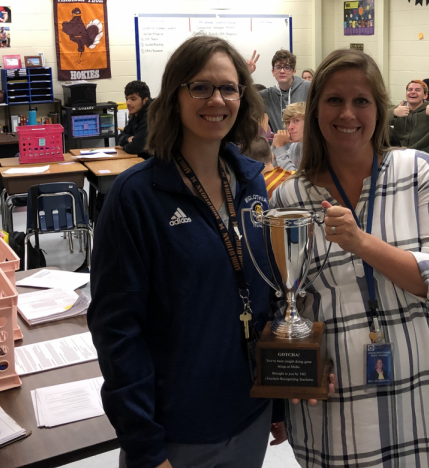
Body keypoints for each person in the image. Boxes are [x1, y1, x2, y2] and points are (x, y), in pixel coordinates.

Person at [89, 36, 283, 468]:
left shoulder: (252, 183)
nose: (217, 99)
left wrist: (280, 398)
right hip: (176, 433)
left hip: (249, 413)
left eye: (229, 88)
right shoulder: (135, 196)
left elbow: (264, 295)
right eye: (200, 87)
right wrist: (143, 442)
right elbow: (116, 330)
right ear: (174, 96)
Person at [272, 49, 429, 468]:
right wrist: (300, 369)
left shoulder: (420, 172)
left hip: (415, 377)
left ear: (380, 108)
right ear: (316, 108)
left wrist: (360, 241)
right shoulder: (290, 197)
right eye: (334, 100)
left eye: (361, 101)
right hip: (334, 395)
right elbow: (289, 304)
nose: (348, 113)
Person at [259, 49, 310, 132]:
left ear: (294, 71)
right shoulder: (267, 95)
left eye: (287, 67)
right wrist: (247, 72)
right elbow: (244, 98)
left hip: (304, 143)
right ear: (273, 72)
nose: (282, 71)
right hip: (280, 143)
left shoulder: (307, 87)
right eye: (278, 67)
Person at [117, 81, 151, 157]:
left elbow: (135, 147)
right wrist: (128, 138)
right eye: (127, 99)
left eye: (133, 99)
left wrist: (123, 147)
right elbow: (119, 138)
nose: (128, 103)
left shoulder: (151, 116)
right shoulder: (136, 114)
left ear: (145, 100)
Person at [272, 102, 304, 172]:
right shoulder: (294, 146)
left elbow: (297, 179)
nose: (290, 127)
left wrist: (279, 147)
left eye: (296, 120)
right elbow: (275, 169)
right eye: (288, 122)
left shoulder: (318, 148)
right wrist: (275, 146)